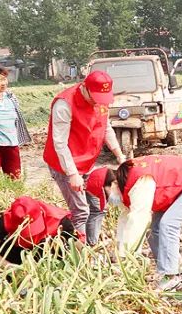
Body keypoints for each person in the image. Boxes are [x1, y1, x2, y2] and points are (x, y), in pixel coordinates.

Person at [86, 156, 182, 290]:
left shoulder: (139, 180)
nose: (108, 200)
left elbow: (139, 220)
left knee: (168, 224)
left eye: (106, 195)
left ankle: (169, 275)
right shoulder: (124, 185)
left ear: (112, 184)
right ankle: (181, 269)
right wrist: (119, 250)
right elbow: (125, 220)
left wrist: (126, 255)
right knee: (154, 229)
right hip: (174, 188)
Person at [43, 70, 126, 244]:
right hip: (64, 163)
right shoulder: (64, 104)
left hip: (87, 162)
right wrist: (72, 174)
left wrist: (119, 155)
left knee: (98, 206)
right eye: (95, 97)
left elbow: (106, 127)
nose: (98, 103)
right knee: (81, 211)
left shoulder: (101, 101)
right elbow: (59, 143)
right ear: (85, 88)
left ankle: (91, 246)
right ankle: (78, 255)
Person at [0, 196, 78, 265]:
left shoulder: (60, 221)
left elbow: (76, 245)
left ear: (41, 213)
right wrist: (8, 267)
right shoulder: (5, 221)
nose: (30, 236)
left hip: (46, 253)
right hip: (17, 251)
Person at [0, 68, 31, 180]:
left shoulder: (11, 97)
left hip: (11, 144)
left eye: (4, 79)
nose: (3, 83)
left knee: (14, 177)